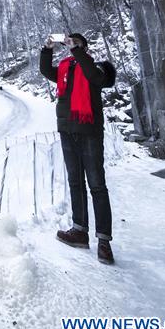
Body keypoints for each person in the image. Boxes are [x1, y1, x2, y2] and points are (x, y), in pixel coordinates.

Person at [40, 32, 115, 265]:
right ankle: (79, 230)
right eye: (68, 42)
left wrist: (77, 51)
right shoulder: (64, 69)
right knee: (74, 182)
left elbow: (95, 77)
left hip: (89, 132)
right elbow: (45, 71)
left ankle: (104, 241)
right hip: (67, 130)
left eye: (75, 43)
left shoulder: (97, 68)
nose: (70, 45)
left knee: (97, 185)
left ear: (83, 47)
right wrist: (47, 49)